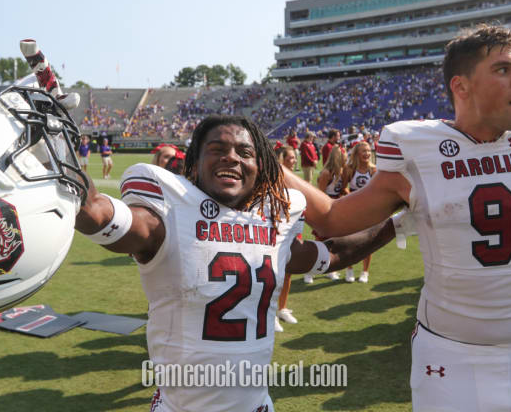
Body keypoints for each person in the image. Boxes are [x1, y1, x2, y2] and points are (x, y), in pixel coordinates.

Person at [283, 24, 511, 410]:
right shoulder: (418, 149)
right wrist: (273, 169)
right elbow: (334, 219)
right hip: (447, 353)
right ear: (461, 86)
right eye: (503, 69)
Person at [75, 115, 382, 412]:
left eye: (244, 152)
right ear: (194, 163)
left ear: (259, 167)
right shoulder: (167, 217)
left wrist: (398, 224)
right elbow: (95, 213)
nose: (232, 158)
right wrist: (54, 144)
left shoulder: (271, 223)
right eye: (218, 150)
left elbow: (331, 255)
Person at [305, 145, 347, 283]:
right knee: (320, 242)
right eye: (344, 154)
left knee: (334, 242)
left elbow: (342, 190)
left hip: (337, 208)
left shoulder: (342, 171)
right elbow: (320, 194)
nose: (347, 156)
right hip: (326, 209)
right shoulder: (326, 173)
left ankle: (331, 270)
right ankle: (309, 272)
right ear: (339, 156)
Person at [273, 145, 300, 332]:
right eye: (290, 158)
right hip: (276, 232)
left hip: (294, 230)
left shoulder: (296, 181)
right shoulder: (274, 180)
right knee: (274, 274)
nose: (294, 160)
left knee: (288, 271)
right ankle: (270, 313)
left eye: (294, 157)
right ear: (281, 160)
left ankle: (282, 308)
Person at [342, 141, 377, 283]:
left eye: (369, 151)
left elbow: (376, 191)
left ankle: (365, 272)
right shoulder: (349, 168)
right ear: (356, 154)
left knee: (367, 242)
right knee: (349, 240)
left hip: (368, 210)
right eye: (363, 151)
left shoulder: (374, 170)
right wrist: (353, 197)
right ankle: (349, 268)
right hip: (352, 208)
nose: (367, 153)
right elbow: (343, 187)